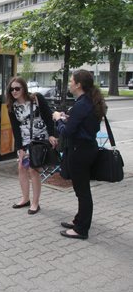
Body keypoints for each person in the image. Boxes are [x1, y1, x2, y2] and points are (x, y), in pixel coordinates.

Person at [52, 70, 106, 240]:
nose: (69, 83)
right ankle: (79, 220)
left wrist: (58, 119)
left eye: (71, 81)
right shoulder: (88, 102)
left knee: (82, 191)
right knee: (81, 190)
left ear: (78, 85)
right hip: (87, 148)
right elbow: (83, 125)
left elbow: (67, 132)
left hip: (80, 151)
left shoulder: (82, 104)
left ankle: (81, 229)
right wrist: (68, 118)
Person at [6, 77, 58, 214]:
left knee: (33, 170)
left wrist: (52, 134)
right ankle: (25, 199)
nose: (14, 91)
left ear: (24, 88)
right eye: (12, 89)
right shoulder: (12, 106)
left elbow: (48, 117)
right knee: (22, 168)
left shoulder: (37, 99)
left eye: (17, 88)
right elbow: (15, 129)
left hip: (39, 140)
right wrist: (20, 148)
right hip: (24, 141)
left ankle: (35, 203)